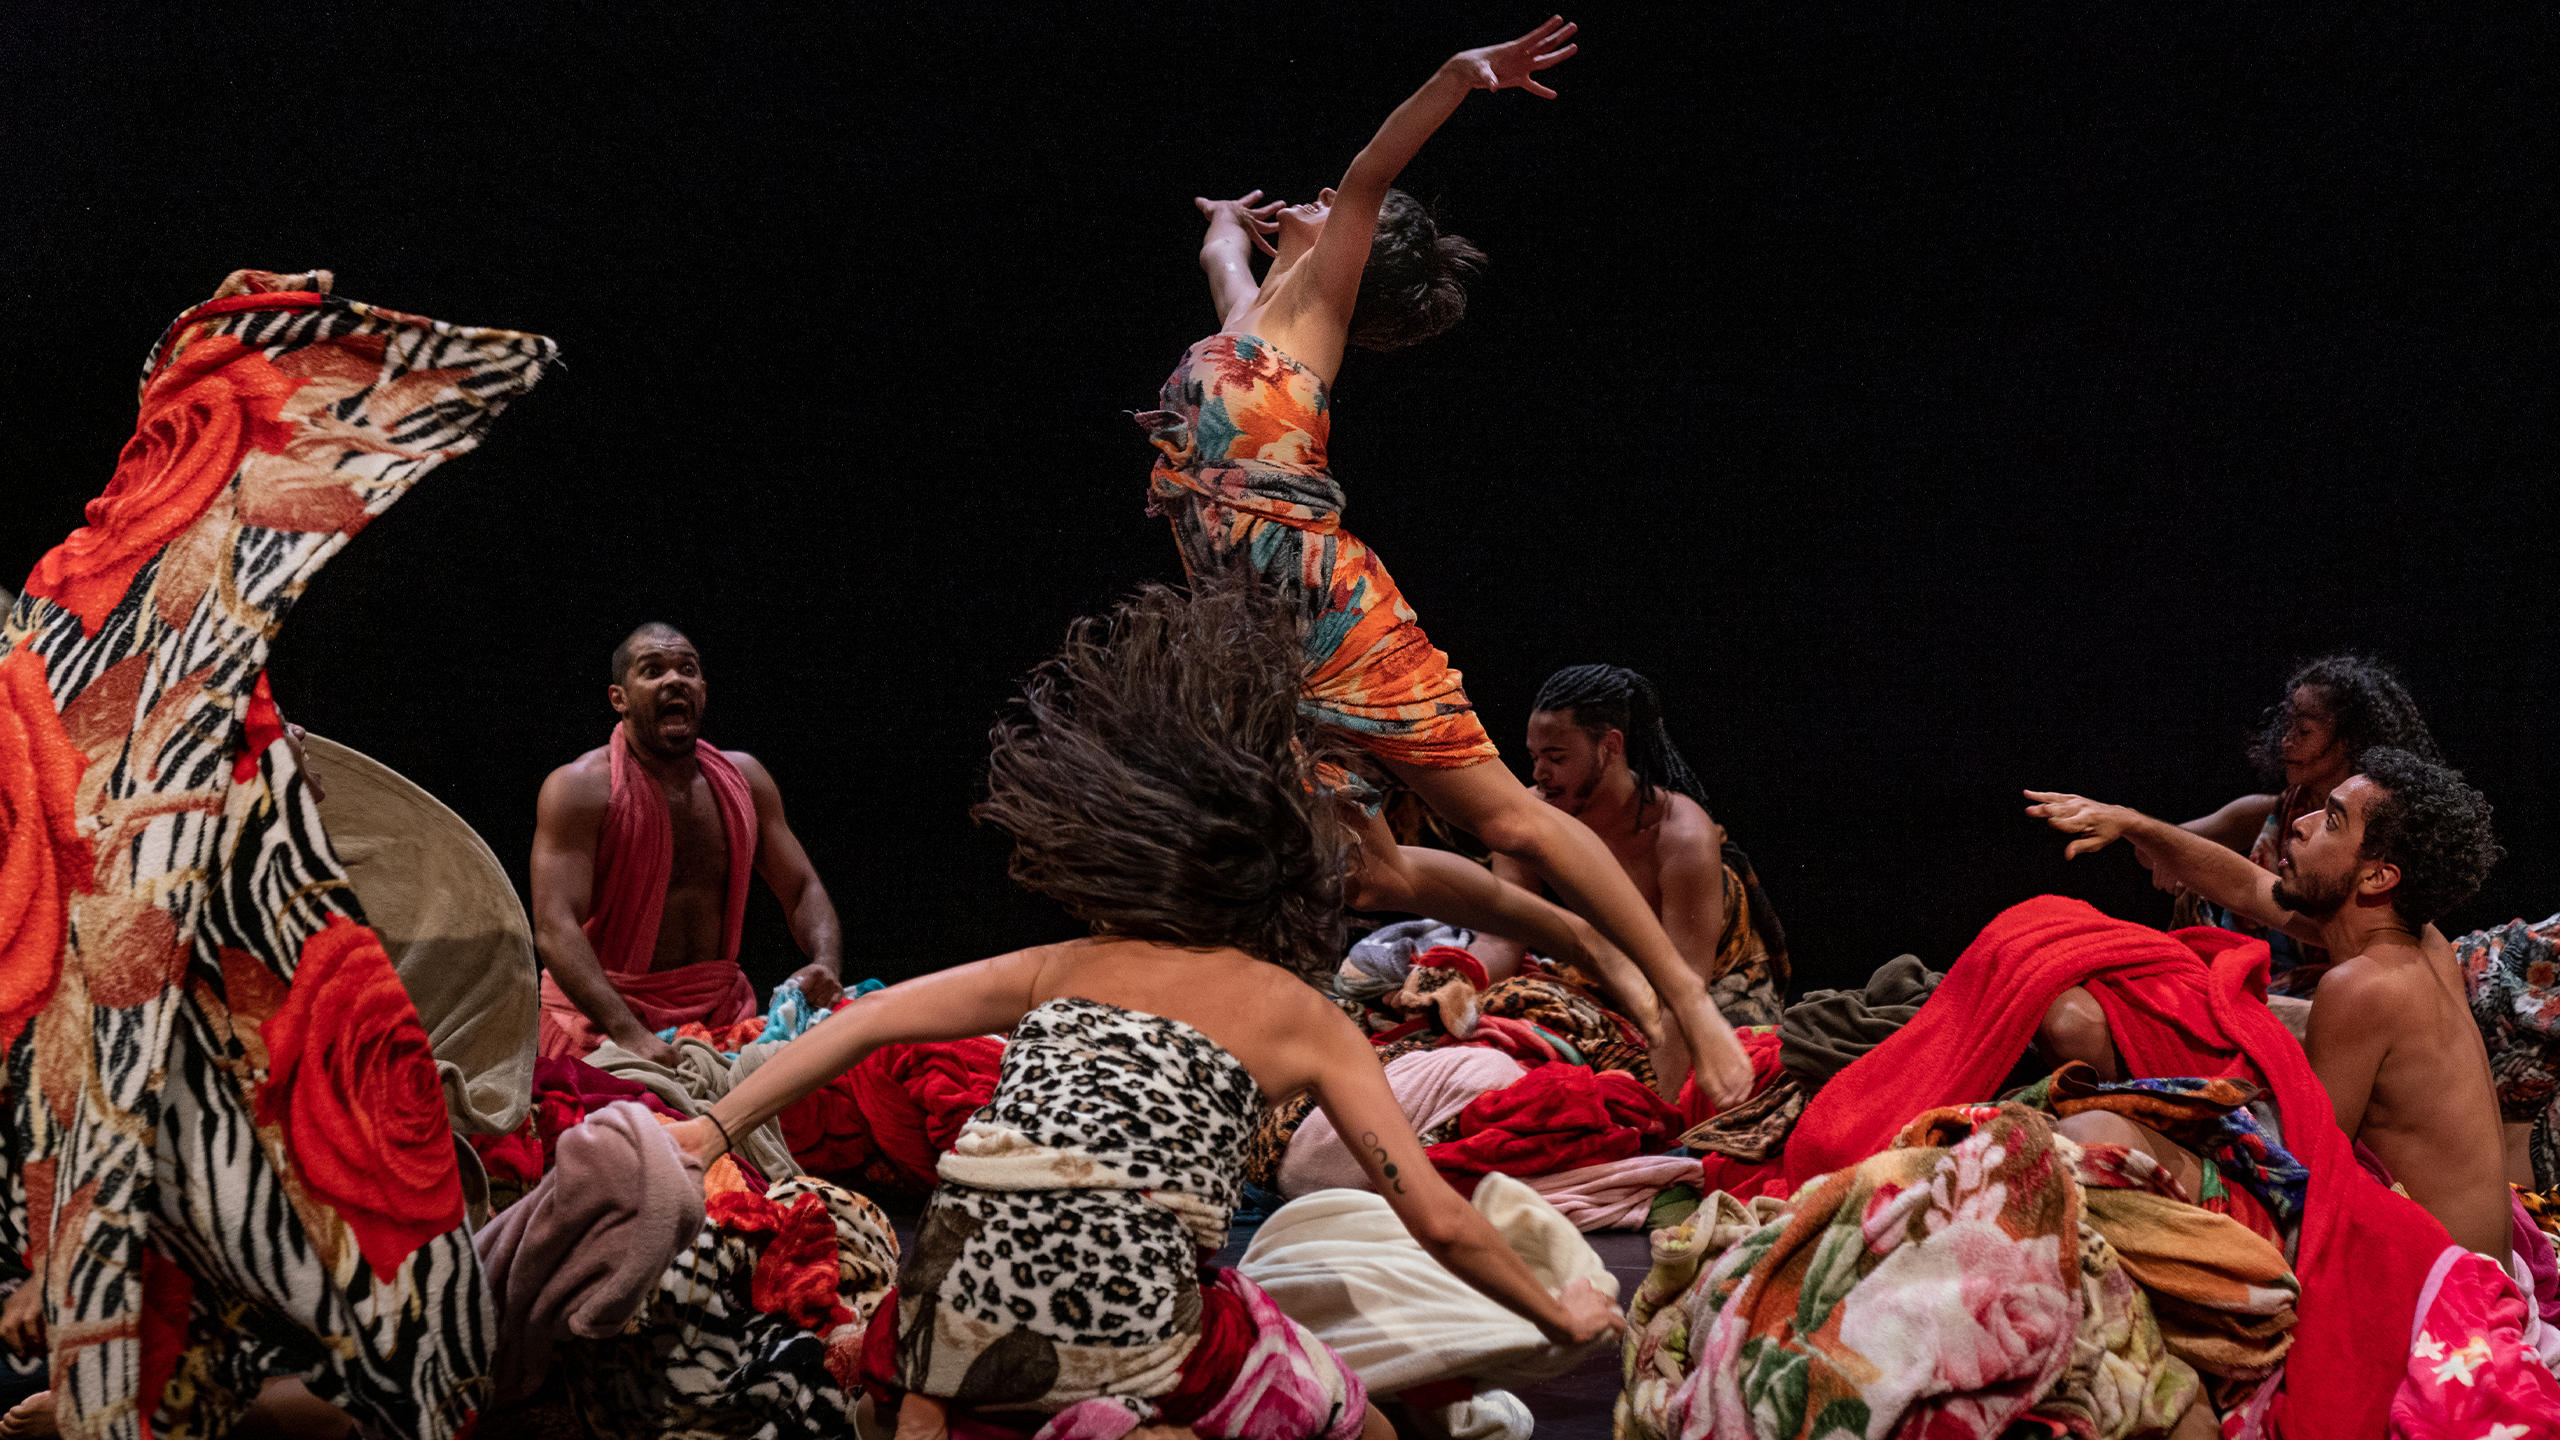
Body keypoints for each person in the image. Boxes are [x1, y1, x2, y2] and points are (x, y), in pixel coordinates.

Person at [668, 580, 1623, 1440]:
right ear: (1291, 877)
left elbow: (860, 1022)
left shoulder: (1062, 964)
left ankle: (951, 1398)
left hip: (946, 1303)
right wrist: (1566, 1319)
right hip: (1130, 1324)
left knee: (909, 1383)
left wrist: (709, 1132)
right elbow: (1441, 1224)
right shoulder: (1307, 1016)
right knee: (1356, 1421)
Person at [1137, 15, 1753, 1107]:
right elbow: (1218, 253)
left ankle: (1681, 996)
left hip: (1327, 612)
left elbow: (1371, 170)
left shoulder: (1314, 315)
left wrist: (1454, 80)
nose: (1316, 202)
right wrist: (1227, 222)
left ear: (1352, 257)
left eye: (1329, 214)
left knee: (1512, 818)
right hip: (1253, 647)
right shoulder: (1246, 317)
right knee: (1370, 871)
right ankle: (1584, 938)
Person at [2026, 745, 2510, 1256]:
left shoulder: (2362, 986)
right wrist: (2133, 823)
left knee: (2097, 1129)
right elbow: (2251, 885)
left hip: (2445, 1286)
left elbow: (2297, 1172)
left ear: (2377, 876)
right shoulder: (2420, 939)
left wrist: (2168, 1107)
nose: (2301, 822)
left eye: (2332, 821)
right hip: (2483, 1262)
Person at [532, 623, 845, 1064]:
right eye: (653, 670)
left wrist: (826, 965)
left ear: (702, 689)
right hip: (601, 1023)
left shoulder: (746, 780)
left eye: (687, 669)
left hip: (723, 1019)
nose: (674, 679)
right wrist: (629, 1035)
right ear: (618, 698)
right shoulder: (579, 788)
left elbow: (801, 889)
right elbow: (554, 924)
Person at [1467, 665, 1790, 1030]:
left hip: (1712, 982)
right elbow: (1503, 939)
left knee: (1732, 1070)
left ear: (1610, 747)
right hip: (1606, 978)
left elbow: (1686, 992)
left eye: (1556, 758)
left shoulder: (1680, 836)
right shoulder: (1528, 821)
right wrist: (1458, 986)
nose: (1539, 774)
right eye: (1534, 757)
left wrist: (1657, 1088)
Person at [2166, 654, 2441, 994]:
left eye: (2304, 730)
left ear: (2349, 741)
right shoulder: (2282, 808)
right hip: (2256, 968)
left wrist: (2181, 855)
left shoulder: (2385, 833)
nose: (2287, 740)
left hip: (2340, 986)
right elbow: (2172, 846)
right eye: (2288, 725)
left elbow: (2255, 890)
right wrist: (2168, 851)